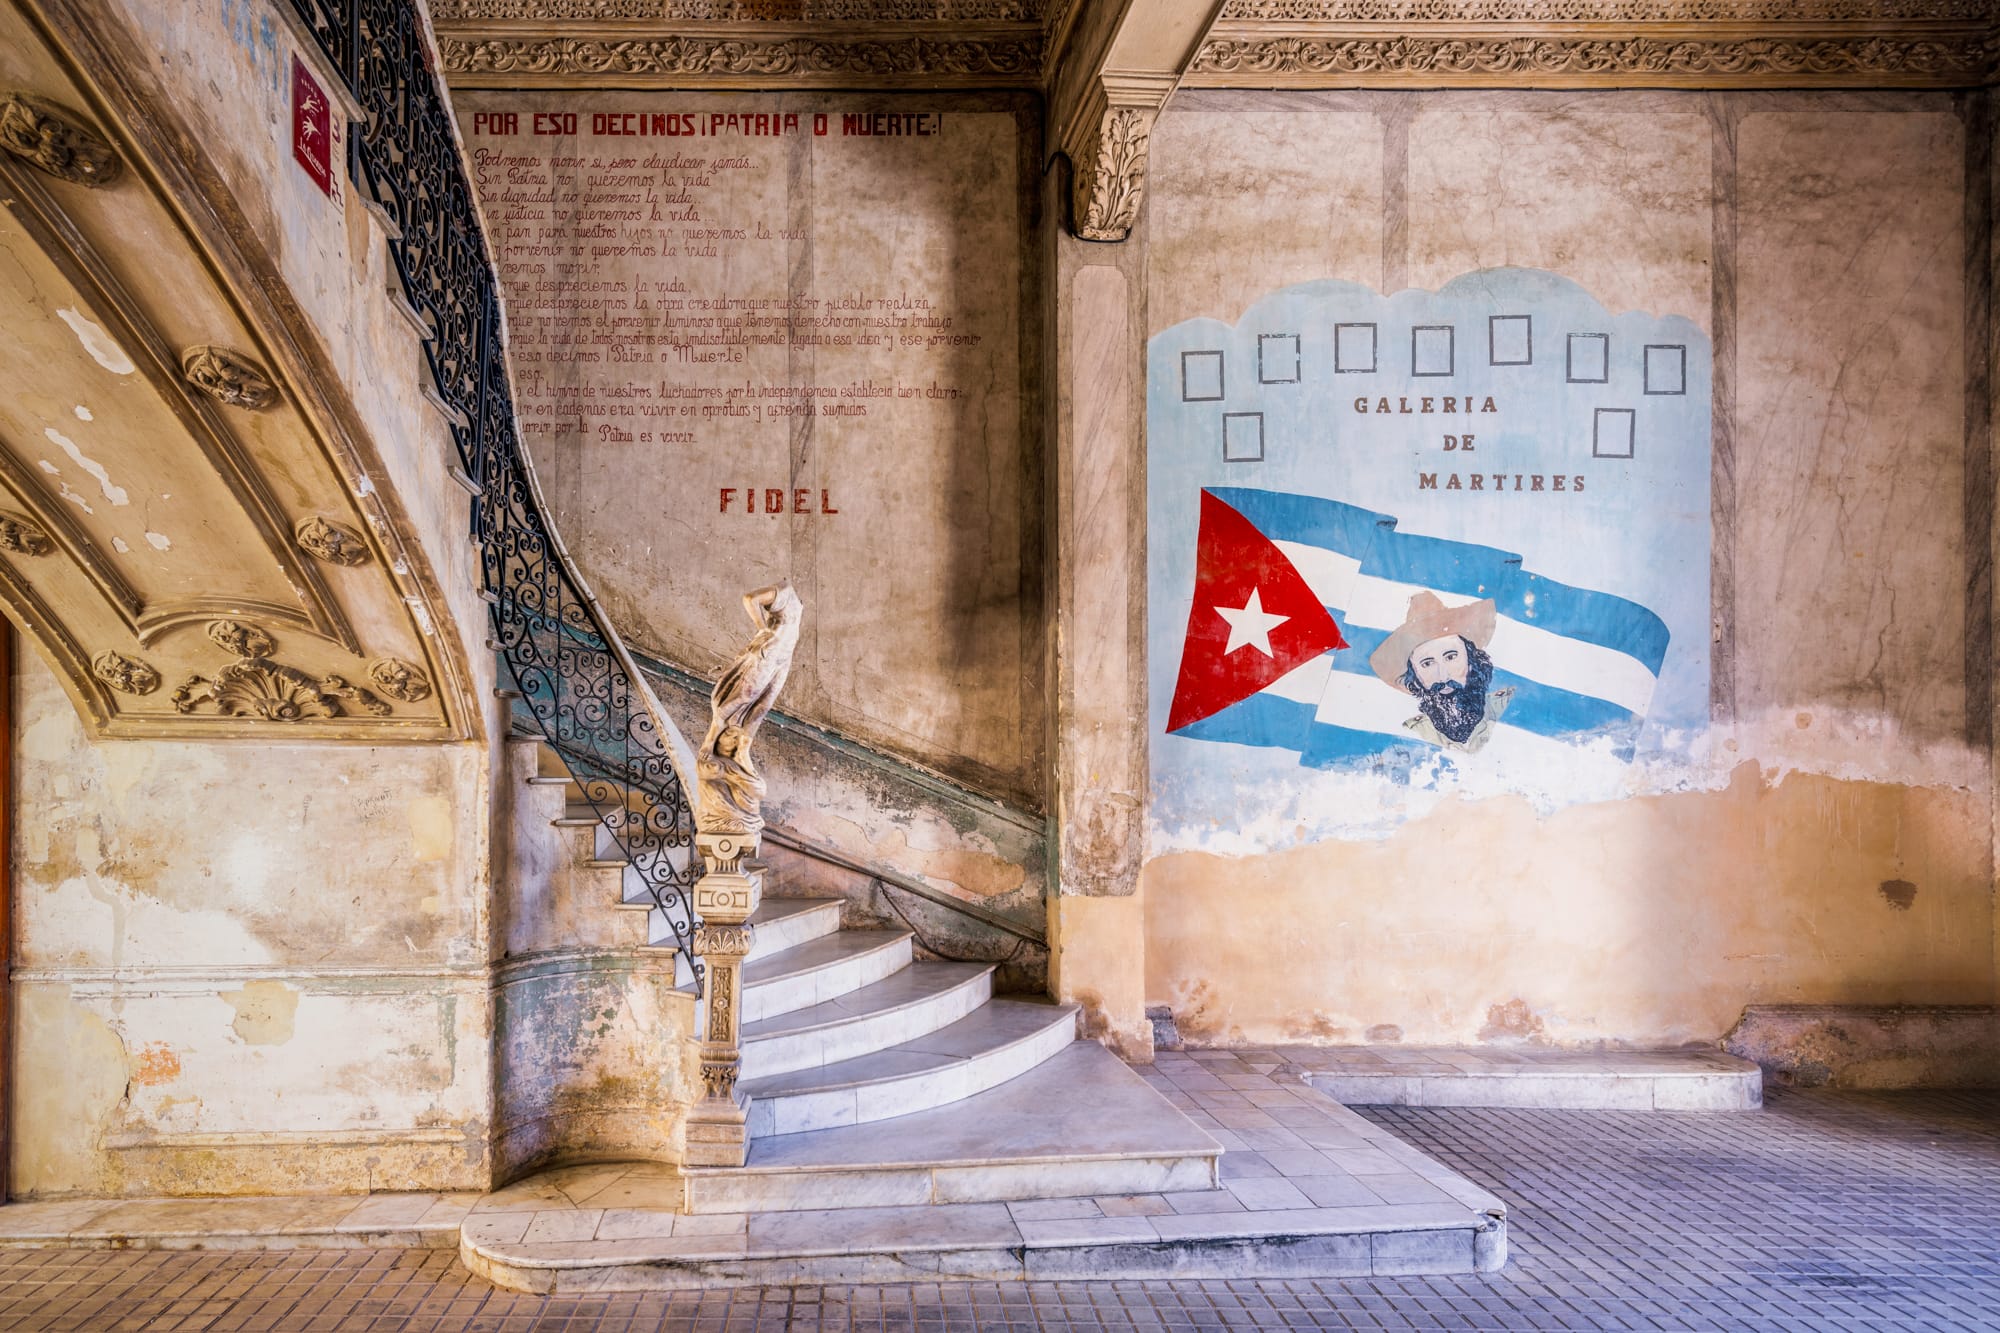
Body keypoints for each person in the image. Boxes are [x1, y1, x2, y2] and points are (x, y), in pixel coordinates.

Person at [695, 583, 803, 837]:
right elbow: (749, 599)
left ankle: (743, 749)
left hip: (783, 657)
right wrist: (763, 629)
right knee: (743, 694)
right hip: (769, 652)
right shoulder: (784, 591)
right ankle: (711, 740)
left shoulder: (796, 600)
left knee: (761, 708)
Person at [1367, 591, 1512, 753]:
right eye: (1427, 663)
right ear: (1415, 678)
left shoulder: (1506, 707)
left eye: (1451, 657)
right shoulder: (1411, 732)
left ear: (1471, 661)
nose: (1443, 676)